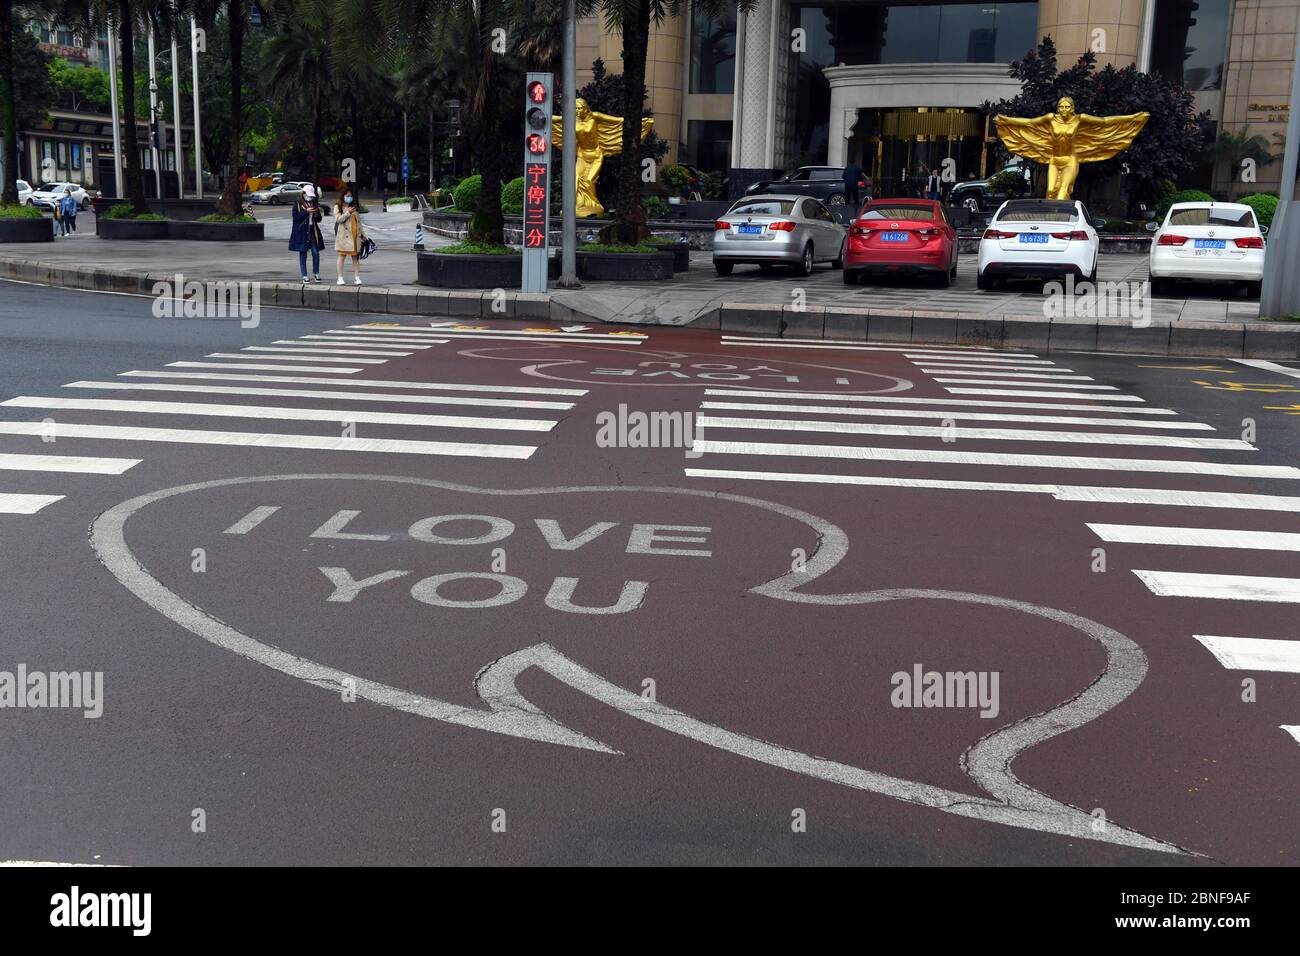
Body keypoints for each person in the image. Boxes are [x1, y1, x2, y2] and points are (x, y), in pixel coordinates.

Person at [290, 184, 325, 282]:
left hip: (312, 230)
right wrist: (306, 211)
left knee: (316, 252)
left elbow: (318, 219)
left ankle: (316, 273)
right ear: (303, 193)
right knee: (303, 253)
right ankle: (304, 275)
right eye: (308, 195)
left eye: (311, 196)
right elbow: (295, 217)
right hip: (302, 231)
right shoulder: (297, 203)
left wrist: (316, 213)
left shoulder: (314, 203)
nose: (309, 197)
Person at [334, 188, 365, 285]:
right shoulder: (338, 207)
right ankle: (340, 278)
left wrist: (363, 235)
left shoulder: (354, 207)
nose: (349, 198)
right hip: (344, 237)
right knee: (341, 256)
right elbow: (339, 220)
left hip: (355, 236)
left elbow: (359, 223)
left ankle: (357, 277)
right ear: (343, 196)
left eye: (350, 196)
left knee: (355, 258)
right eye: (347, 196)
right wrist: (348, 213)